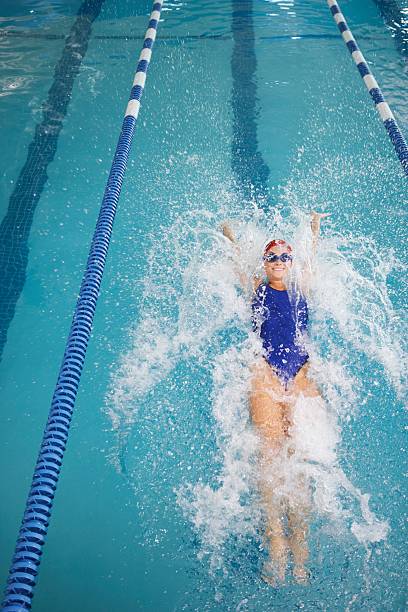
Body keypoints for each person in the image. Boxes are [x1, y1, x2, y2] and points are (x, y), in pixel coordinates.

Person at [222, 212, 330, 586]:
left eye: (285, 256)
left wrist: (314, 231)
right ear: (265, 264)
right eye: (273, 257)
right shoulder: (256, 288)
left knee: (299, 457)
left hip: (301, 377)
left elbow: (312, 261)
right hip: (264, 374)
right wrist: (230, 236)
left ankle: (300, 548)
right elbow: (238, 264)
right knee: (270, 454)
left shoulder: (303, 288)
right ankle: (276, 542)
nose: (280, 262)